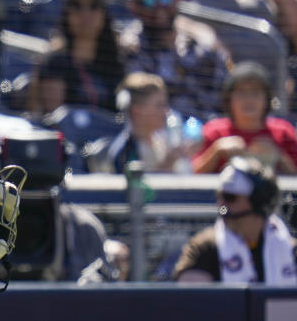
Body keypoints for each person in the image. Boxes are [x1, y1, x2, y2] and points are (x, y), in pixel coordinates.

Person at [120, 0, 231, 122]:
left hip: (213, 129)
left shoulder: (200, 39)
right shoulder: (132, 47)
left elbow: (227, 86)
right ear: (134, 7)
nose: (159, 6)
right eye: (149, 1)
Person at [173, 156, 296, 285]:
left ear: (258, 202)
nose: (221, 205)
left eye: (230, 198)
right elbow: (191, 299)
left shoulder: (290, 251)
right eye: (219, 196)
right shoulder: (205, 249)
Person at [31, 0, 124, 114]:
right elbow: (55, 117)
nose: (85, 14)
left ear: (104, 14)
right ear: (66, 14)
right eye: (76, 6)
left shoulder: (115, 63)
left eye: (94, 6)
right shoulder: (55, 62)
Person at [193, 62, 297, 175]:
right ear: (229, 99)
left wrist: (278, 157)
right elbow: (190, 175)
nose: (248, 99)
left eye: (255, 93)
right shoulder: (214, 131)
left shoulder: (283, 132)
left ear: (267, 99)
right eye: (241, 93)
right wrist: (216, 151)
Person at [91, 72, 190, 174]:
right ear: (137, 111)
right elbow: (135, 187)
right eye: (159, 105)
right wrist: (168, 164)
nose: (166, 111)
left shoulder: (164, 141)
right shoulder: (126, 152)